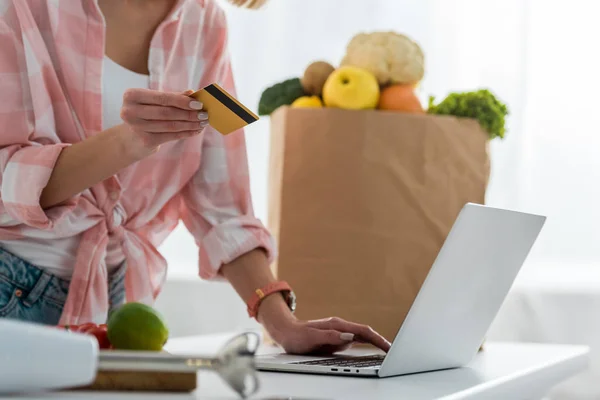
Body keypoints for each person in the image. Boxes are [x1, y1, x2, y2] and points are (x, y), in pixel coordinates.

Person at [0, 0, 390, 355]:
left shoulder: (205, 23)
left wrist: (284, 325)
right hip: (10, 289)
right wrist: (127, 143)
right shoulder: (23, 8)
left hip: (117, 309)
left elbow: (224, 211)